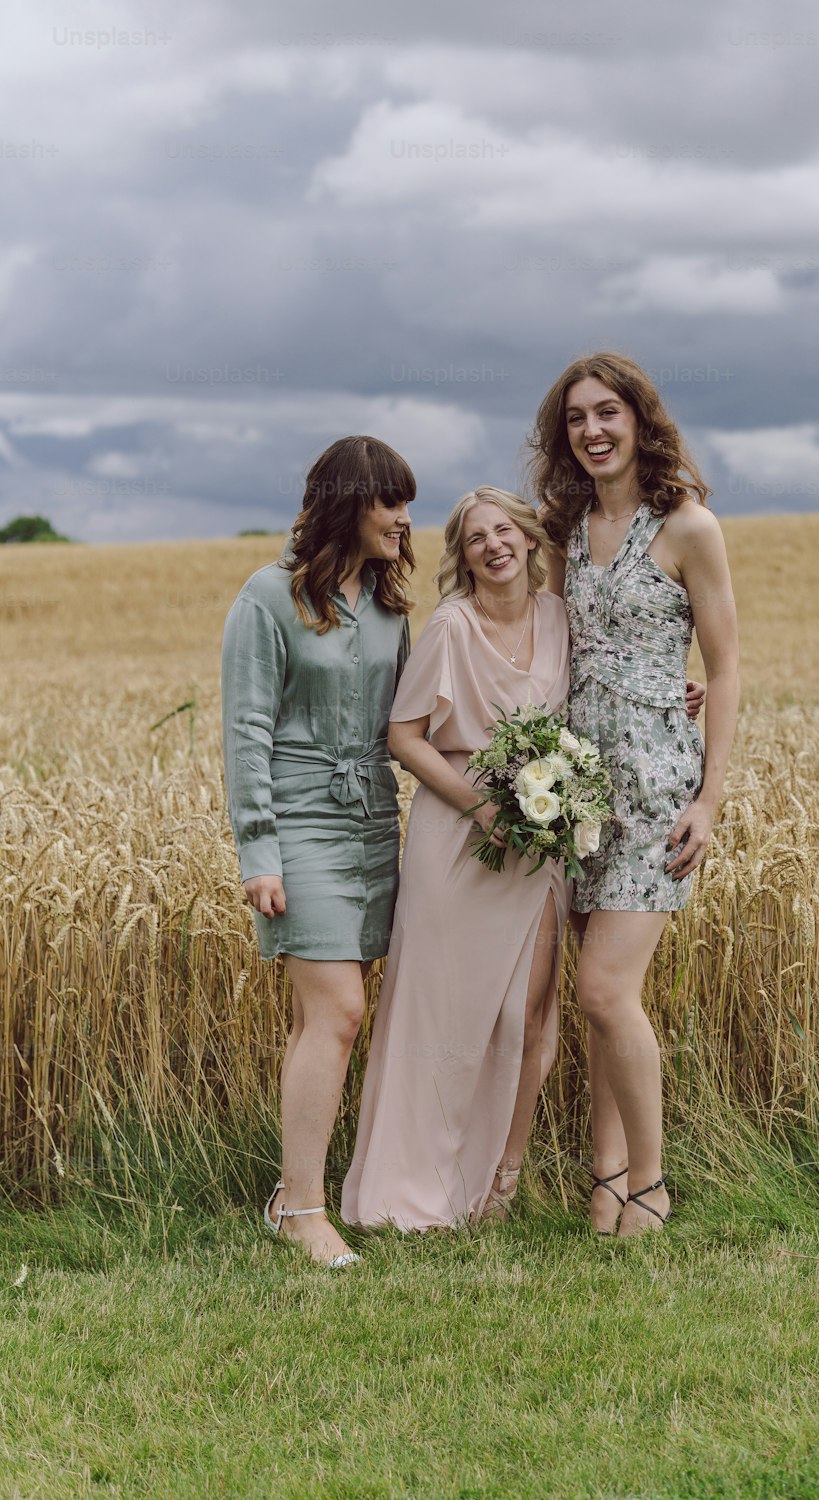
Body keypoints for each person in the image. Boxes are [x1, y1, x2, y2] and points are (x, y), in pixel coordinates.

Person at [530, 351, 740, 1236]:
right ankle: (605, 1182)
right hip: (577, 790)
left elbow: (725, 669)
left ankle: (650, 1186)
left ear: (639, 420)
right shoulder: (561, 529)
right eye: (577, 417)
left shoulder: (688, 527)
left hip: (657, 785)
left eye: (608, 412)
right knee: (596, 1003)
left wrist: (710, 798)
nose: (593, 430)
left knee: (606, 991)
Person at [341, 488, 573, 1230]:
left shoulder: (559, 618)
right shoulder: (450, 625)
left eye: (505, 530)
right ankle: (413, 1192)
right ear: (464, 556)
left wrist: (682, 696)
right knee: (436, 1019)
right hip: (459, 842)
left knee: (525, 1017)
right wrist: (483, 808)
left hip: (540, 840)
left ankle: (497, 1192)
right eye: (476, 538)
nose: (494, 544)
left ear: (531, 540)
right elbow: (405, 736)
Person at [221, 434, 415, 1267]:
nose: (405, 519)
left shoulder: (387, 606)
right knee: (339, 1014)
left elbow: (416, 722)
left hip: (375, 821)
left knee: (321, 1020)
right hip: (298, 826)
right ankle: (301, 1209)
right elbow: (246, 729)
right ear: (347, 504)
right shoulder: (267, 599)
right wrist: (258, 850)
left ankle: (302, 1192)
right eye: (389, 502)